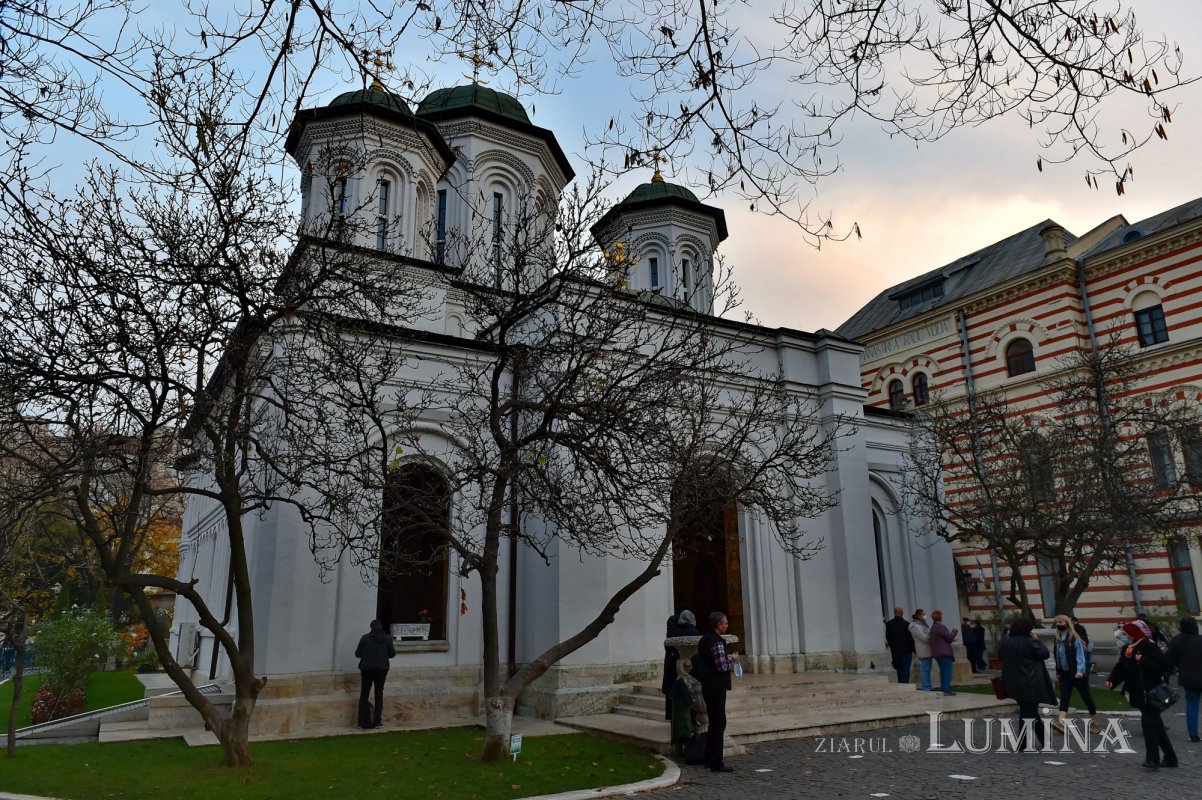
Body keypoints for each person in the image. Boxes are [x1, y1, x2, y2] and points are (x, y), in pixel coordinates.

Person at [1107, 620, 1177, 769]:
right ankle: (1170, 758)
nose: (1123, 635)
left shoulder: (1148, 646)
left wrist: (1143, 660)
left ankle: (1153, 759)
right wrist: (1112, 680)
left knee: (1148, 725)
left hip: (1150, 690)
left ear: (1133, 634)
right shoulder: (1127, 648)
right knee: (1156, 725)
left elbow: (1165, 665)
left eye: (1125, 633)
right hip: (1138, 691)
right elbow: (1121, 667)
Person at [691, 610, 739, 773]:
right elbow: (721, 666)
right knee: (718, 723)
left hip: (707, 686)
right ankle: (716, 761)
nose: (727, 625)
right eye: (725, 623)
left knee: (714, 722)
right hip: (716, 687)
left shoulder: (704, 639)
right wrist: (732, 659)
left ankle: (709, 756)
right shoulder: (717, 642)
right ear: (718, 625)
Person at [998, 616, 1056, 751]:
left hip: (1012, 681)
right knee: (1027, 712)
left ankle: (1045, 739)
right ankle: (1023, 743)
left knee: (1029, 711)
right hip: (1030, 681)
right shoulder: (1031, 642)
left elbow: (1000, 656)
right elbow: (1044, 653)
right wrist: (1037, 640)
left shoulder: (1005, 642)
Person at [1051, 614, 1098, 733]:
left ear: (1067, 624)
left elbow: (1080, 656)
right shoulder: (1057, 639)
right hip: (1064, 673)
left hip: (1077, 673)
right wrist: (1058, 670)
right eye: (1057, 623)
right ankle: (1061, 722)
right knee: (1064, 697)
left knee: (1086, 697)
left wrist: (1080, 671)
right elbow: (1058, 656)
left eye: (1061, 622)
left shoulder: (1074, 638)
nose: (1059, 625)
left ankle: (1095, 723)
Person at [354, 619, 395, 729]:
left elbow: (357, 653)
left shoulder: (365, 638)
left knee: (364, 694)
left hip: (367, 669)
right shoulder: (388, 639)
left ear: (371, 627)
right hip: (382, 669)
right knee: (379, 694)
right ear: (381, 627)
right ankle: (377, 721)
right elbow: (392, 654)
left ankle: (361, 722)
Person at [1168, 615, 1202, 743]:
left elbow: (1170, 658)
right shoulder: (1200, 640)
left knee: (1192, 704)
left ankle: (1193, 733)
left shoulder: (1177, 640)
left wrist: (1176, 667)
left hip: (1187, 675)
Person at [662, 609, 701, 720]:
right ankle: (689, 720)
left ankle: (673, 718)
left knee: (673, 691)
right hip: (688, 666)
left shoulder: (672, 630)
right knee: (687, 692)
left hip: (672, 665)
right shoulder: (693, 632)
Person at [928, 610, 959, 696]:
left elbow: (942, 639)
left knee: (943, 671)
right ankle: (946, 690)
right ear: (939, 616)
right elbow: (949, 637)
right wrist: (955, 631)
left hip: (938, 652)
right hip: (944, 652)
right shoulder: (939, 626)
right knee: (947, 671)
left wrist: (951, 638)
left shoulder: (934, 627)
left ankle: (944, 689)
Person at [885, 607, 915, 685]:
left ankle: (900, 683)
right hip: (906, 650)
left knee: (899, 668)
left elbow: (888, 637)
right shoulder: (906, 624)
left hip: (895, 650)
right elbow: (910, 639)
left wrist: (892, 646)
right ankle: (905, 684)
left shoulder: (889, 624)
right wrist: (914, 650)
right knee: (905, 668)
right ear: (902, 613)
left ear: (894, 613)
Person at [909, 609, 933, 691]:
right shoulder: (915, 626)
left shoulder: (923, 624)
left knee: (927, 670)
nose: (925, 616)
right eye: (923, 614)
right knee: (925, 670)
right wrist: (934, 639)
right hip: (923, 650)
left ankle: (928, 686)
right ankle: (926, 687)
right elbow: (924, 637)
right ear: (919, 615)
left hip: (927, 649)